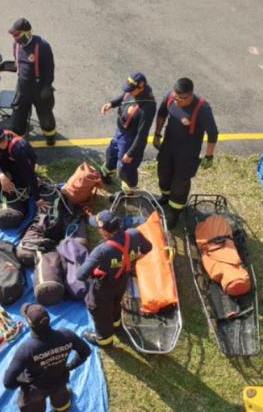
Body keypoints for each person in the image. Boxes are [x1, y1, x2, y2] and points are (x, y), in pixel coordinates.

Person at [2, 304, 90, 412]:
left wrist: (24, 381)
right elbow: (85, 351)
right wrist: (69, 366)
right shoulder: (66, 335)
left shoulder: (27, 349)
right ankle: (61, 407)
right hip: (60, 379)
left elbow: (8, 382)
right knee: (60, 394)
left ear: (30, 324)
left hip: (36, 390)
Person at [76, 211, 152, 347]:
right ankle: (116, 325)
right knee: (116, 302)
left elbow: (80, 275)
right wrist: (131, 259)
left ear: (104, 231)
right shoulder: (134, 234)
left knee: (100, 311)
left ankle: (104, 340)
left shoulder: (102, 250)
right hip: (122, 281)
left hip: (104, 288)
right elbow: (148, 247)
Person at [153, 77, 219, 227]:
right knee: (163, 173)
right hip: (169, 145)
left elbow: (213, 133)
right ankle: (165, 197)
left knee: (180, 183)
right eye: (176, 98)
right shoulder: (171, 97)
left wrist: (209, 155)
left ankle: (175, 212)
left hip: (188, 152)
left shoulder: (202, 109)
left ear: (191, 94)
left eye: (182, 99)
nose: (178, 101)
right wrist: (157, 134)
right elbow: (162, 113)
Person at [100, 72, 156, 196]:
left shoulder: (148, 107)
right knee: (110, 155)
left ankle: (129, 191)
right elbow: (124, 97)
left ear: (141, 87)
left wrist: (131, 153)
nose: (129, 92)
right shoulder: (132, 91)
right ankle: (106, 174)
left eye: (132, 90)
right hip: (120, 132)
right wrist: (112, 104)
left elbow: (142, 134)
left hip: (130, 138)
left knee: (125, 168)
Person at [6, 18, 57, 145]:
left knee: (45, 115)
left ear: (26, 33)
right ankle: (19, 139)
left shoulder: (42, 46)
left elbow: (49, 69)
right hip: (22, 88)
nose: (14, 38)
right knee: (18, 116)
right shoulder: (16, 46)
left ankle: (50, 135)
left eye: (16, 34)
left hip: (39, 88)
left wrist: (47, 87)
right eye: (13, 35)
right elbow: (19, 64)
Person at [0, 125, 39, 229]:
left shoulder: (18, 149)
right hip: (8, 163)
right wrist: (1, 176)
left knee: (19, 186)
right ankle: (1, 181)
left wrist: (37, 198)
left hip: (20, 167)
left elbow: (30, 174)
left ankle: (11, 182)